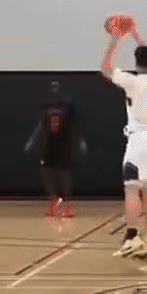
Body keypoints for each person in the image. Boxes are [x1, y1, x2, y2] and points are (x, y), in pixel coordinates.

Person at [100, 17, 147, 258]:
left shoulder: (133, 82)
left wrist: (115, 39)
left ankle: (131, 236)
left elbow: (105, 68)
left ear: (136, 62)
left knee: (131, 188)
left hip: (140, 139)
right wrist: (135, 33)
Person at [25, 81, 87, 217]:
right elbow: (41, 124)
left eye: (57, 88)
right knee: (46, 170)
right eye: (52, 88)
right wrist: (32, 140)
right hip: (49, 142)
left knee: (65, 173)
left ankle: (67, 204)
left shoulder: (68, 105)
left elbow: (76, 124)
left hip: (64, 142)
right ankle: (53, 199)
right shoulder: (46, 105)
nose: (55, 90)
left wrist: (80, 140)